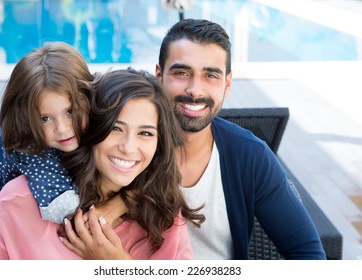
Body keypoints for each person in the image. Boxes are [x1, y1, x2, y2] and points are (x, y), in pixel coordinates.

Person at [62, 19, 326, 260]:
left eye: (211, 75)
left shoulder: (249, 156)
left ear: (228, 83)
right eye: (181, 73)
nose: (195, 90)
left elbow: (308, 254)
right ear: (159, 74)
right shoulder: (122, 150)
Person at [0, 68, 204, 260]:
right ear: (90, 127)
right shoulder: (17, 203)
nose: (128, 147)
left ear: (159, 143)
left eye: (145, 133)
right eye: (115, 128)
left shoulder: (167, 218)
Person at [0, 41, 121, 257]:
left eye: (70, 111)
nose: (62, 129)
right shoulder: (31, 149)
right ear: (25, 117)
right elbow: (65, 211)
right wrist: (124, 201)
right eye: (44, 118)